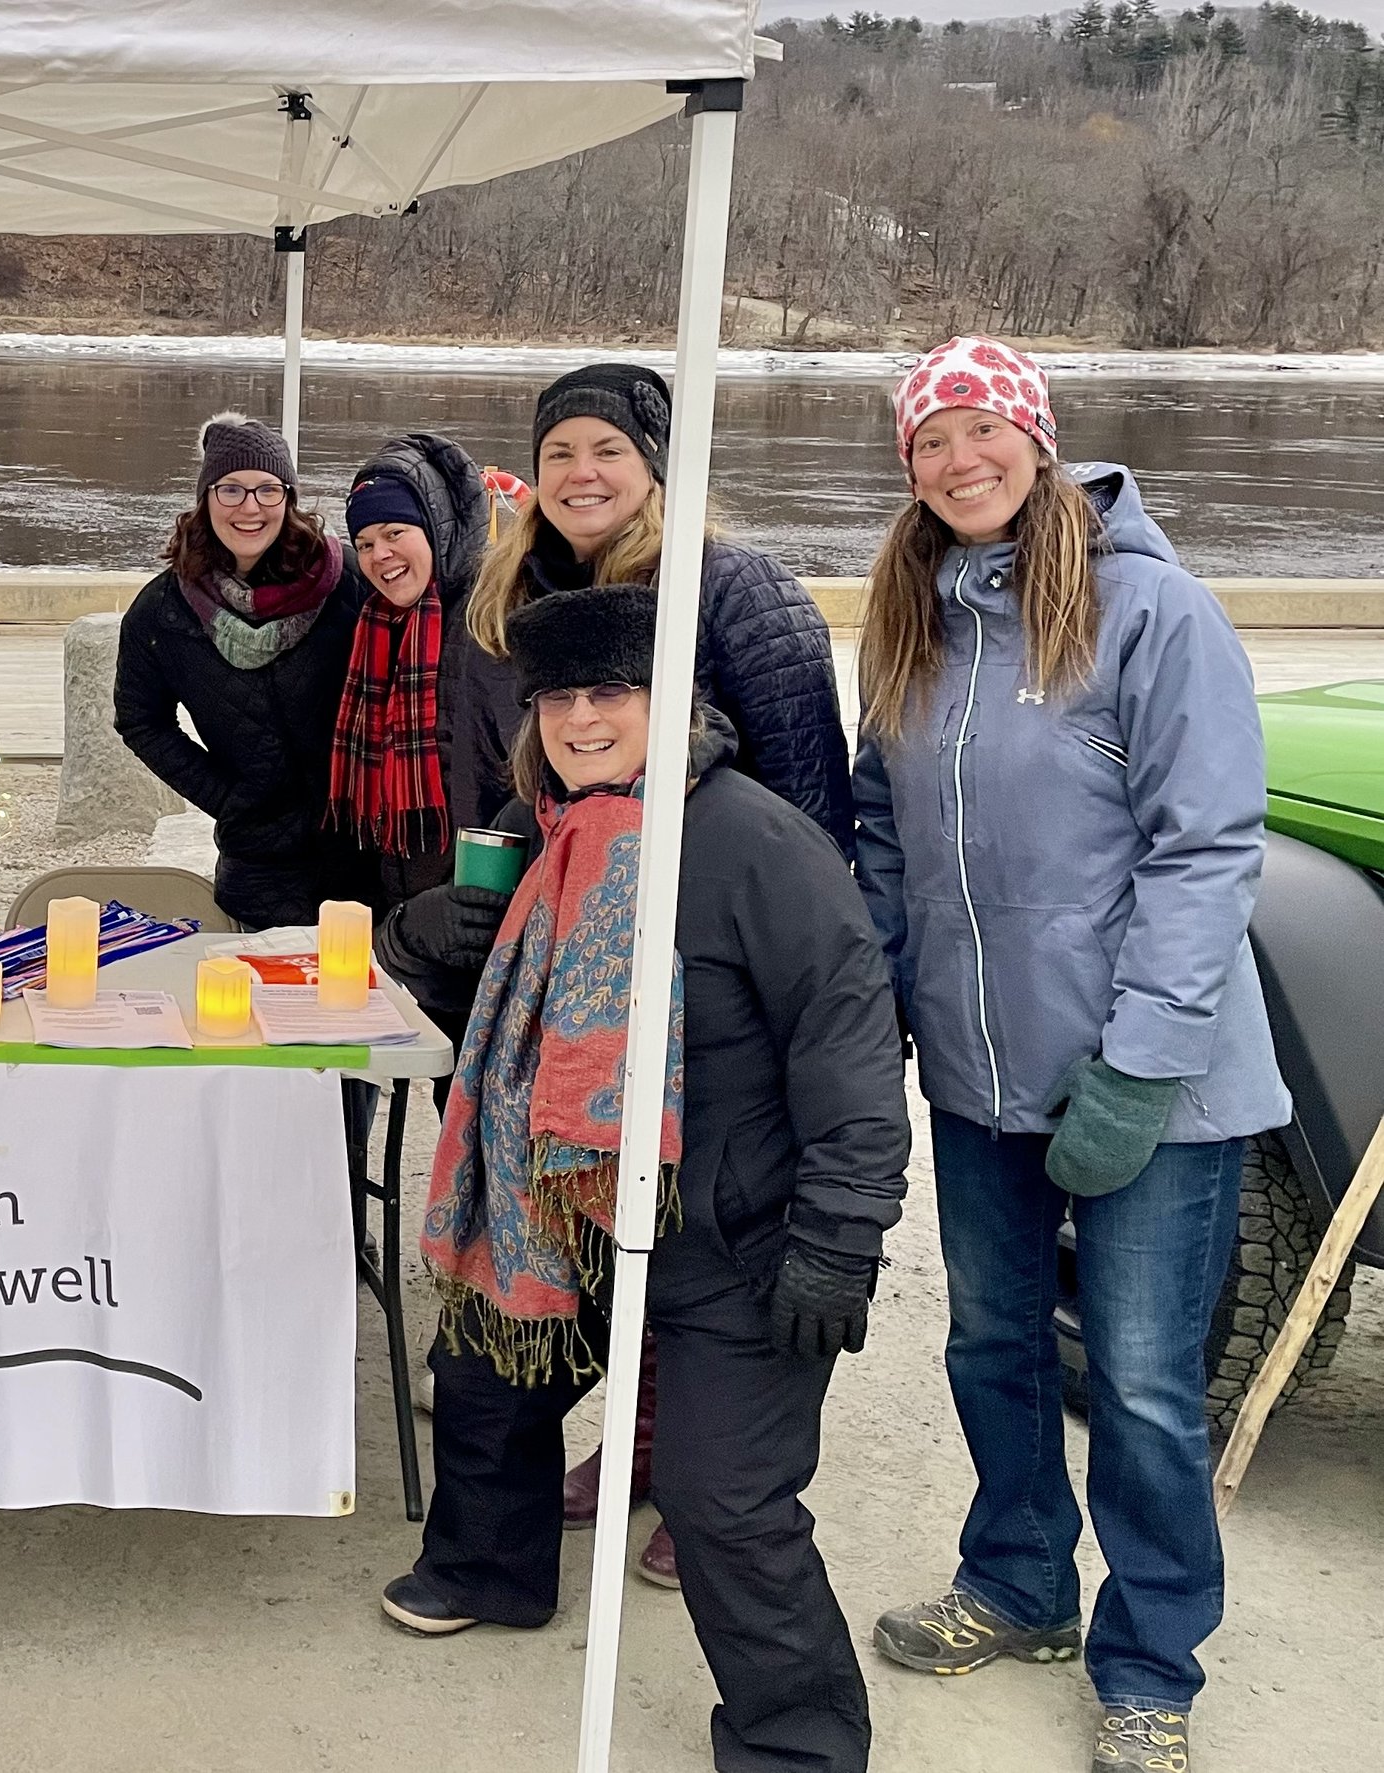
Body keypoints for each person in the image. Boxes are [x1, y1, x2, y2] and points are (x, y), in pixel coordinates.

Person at [377, 585, 906, 1773]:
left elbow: (852, 1049)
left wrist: (840, 1238)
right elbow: (505, 1029)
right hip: (575, 1212)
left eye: (608, 691)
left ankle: (799, 1744)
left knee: (725, 1506)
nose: (579, 716)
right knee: (479, 1371)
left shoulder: (756, 844)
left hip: (736, 1238)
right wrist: (426, 941)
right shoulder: (537, 826)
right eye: (556, 696)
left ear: (672, 701)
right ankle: (492, 1571)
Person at [855, 338, 1289, 1773]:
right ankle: (1021, 1583)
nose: (960, 459)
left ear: (1038, 442)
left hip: (1152, 1090)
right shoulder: (913, 623)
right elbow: (881, 834)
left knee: (1149, 1382)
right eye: (932, 442)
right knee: (991, 1346)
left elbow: (1209, 848)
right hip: (980, 1079)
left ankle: (1152, 1661)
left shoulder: (1152, 614)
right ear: (909, 470)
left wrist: (1142, 1066)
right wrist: (879, 1003)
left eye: (984, 430)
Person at [381, 362, 857, 1581]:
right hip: (552, 965)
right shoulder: (515, 586)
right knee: (571, 1231)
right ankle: (593, 1476)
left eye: (606, 450)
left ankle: (676, 1469)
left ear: (656, 463)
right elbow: (494, 777)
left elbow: (802, 802)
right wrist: (467, 928)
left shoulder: (733, 588)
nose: (580, 474)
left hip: (709, 978)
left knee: (682, 1235)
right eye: (558, 455)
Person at [115, 413, 377, 928]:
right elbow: (140, 719)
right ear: (206, 496)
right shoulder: (163, 611)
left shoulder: (347, 581)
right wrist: (229, 798)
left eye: (267, 490)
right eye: (231, 489)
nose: (250, 507)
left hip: (366, 848)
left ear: (289, 498)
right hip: (260, 860)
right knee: (262, 998)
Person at [325, 433, 489, 917]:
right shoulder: (377, 625)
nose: (379, 555)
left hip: (472, 895)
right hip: (398, 887)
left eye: (395, 533)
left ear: (436, 531)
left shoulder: (490, 619)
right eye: (365, 543)